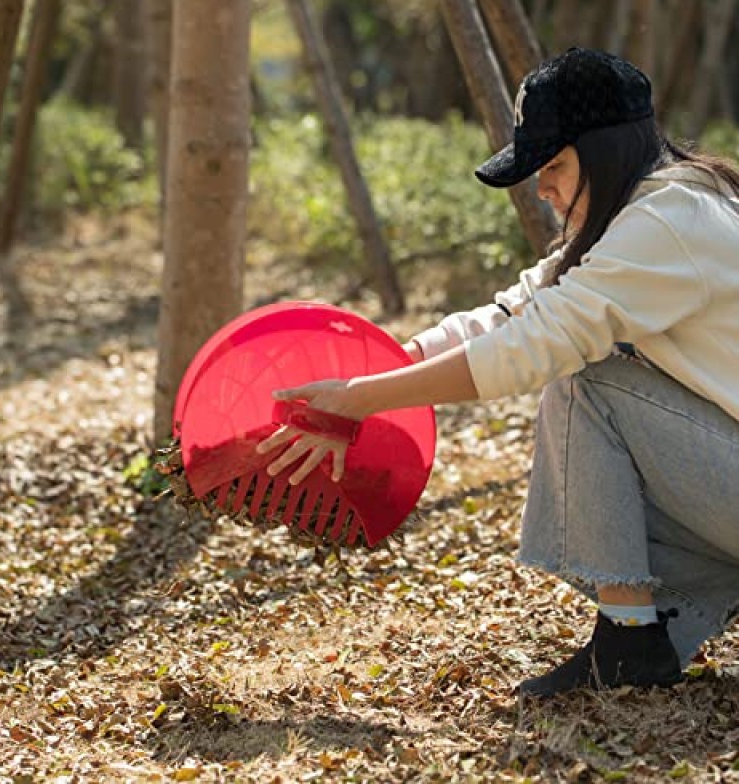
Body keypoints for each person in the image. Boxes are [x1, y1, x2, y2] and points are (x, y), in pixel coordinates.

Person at [256, 47, 739, 698]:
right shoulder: (648, 213)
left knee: (586, 381)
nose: (541, 186)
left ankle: (629, 644)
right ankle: (639, 632)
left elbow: (533, 347)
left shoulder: (667, 222)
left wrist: (360, 401)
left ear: (607, 150)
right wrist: (377, 374)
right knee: (582, 368)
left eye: (556, 164)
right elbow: (510, 313)